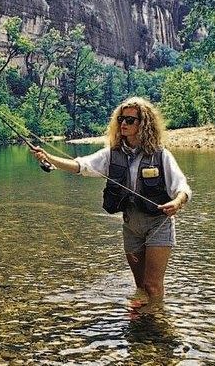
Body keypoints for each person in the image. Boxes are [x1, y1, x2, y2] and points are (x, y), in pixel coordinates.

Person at [30, 97, 192, 313]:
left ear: (144, 123)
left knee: (152, 285)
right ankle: (142, 318)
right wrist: (49, 157)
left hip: (158, 224)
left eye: (130, 120)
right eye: (121, 119)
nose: (123, 123)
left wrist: (177, 202)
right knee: (140, 285)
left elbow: (182, 187)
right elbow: (81, 166)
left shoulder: (161, 155)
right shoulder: (111, 154)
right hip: (131, 227)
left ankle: (155, 320)